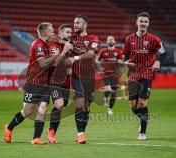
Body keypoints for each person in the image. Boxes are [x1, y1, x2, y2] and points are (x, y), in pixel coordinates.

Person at [4, 22, 72, 144]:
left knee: (43, 107)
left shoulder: (46, 44)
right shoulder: (38, 45)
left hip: (45, 83)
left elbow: (53, 60)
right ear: (45, 32)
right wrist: (61, 54)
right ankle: (9, 127)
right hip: (33, 82)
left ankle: (36, 138)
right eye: (51, 30)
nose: (53, 32)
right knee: (27, 111)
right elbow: (43, 64)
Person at [123, 12, 165, 140]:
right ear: (137, 23)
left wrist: (157, 61)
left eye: (145, 22)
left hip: (147, 72)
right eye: (141, 21)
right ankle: (143, 119)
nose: (143, 24)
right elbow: (125, 55)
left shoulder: (154, 39)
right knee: (133, 106)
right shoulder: (129, 39)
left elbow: (163, 52)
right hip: (133, 73)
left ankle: (143, 132)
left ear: (148, 24)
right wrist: (126, 62)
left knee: (142, 103)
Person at [69, 15, 99, 144]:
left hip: (89, 76)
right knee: (80, 103)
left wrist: (75, 58)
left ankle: (81, 133)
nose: (75, 25)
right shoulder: (71, 38)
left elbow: (91, 54)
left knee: (87, 106)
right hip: (76, 76)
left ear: (85, 25)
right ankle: (80, 133)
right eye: (74, 22)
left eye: (78, 23)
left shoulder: (93, 38)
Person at [46, 24, 73, 144]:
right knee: (60, 104)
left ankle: (52, 131)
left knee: (62, 106)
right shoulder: (54, 45)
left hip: (66, 81)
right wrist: (65, 50)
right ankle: (51, 131)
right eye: (67, 32)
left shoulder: (70, 45)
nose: (70, 34)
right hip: (54, 80)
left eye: (70, 32)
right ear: (60, 33)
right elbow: (54, 62)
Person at [98, 36, 123, 115]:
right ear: (107, 42)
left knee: (114, 93)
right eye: (109, 40)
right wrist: (100, 67)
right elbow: (97, 60)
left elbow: (121, 61)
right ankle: (105, 97)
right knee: (108, 89)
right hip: (106, 74)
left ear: (114, 41)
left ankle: (110, 108)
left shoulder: (118, 51)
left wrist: (120, 62)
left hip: (115, 75)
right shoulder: (103, 51)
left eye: (112, 39)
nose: (111, 41)